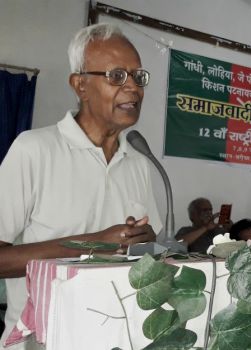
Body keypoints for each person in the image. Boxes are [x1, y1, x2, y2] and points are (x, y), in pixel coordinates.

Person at [0, 23, 161, 348]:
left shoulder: (139, 163)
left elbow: (151, 249)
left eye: (138, 77)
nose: (133, 88)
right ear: (81, 85)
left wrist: (146, 240)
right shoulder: (34, 149)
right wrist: (94, 244)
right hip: (43, 340)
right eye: (117, 76)